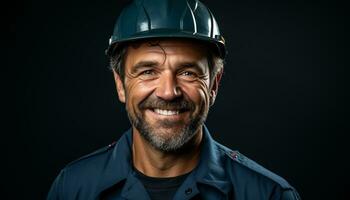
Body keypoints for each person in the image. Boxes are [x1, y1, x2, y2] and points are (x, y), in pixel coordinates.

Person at [47, 0, 301, 199]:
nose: (168, 92)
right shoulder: (73, 187)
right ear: (120, 84)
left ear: (213, 84)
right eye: (148, 71)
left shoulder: (268, 194)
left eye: (188, 72)